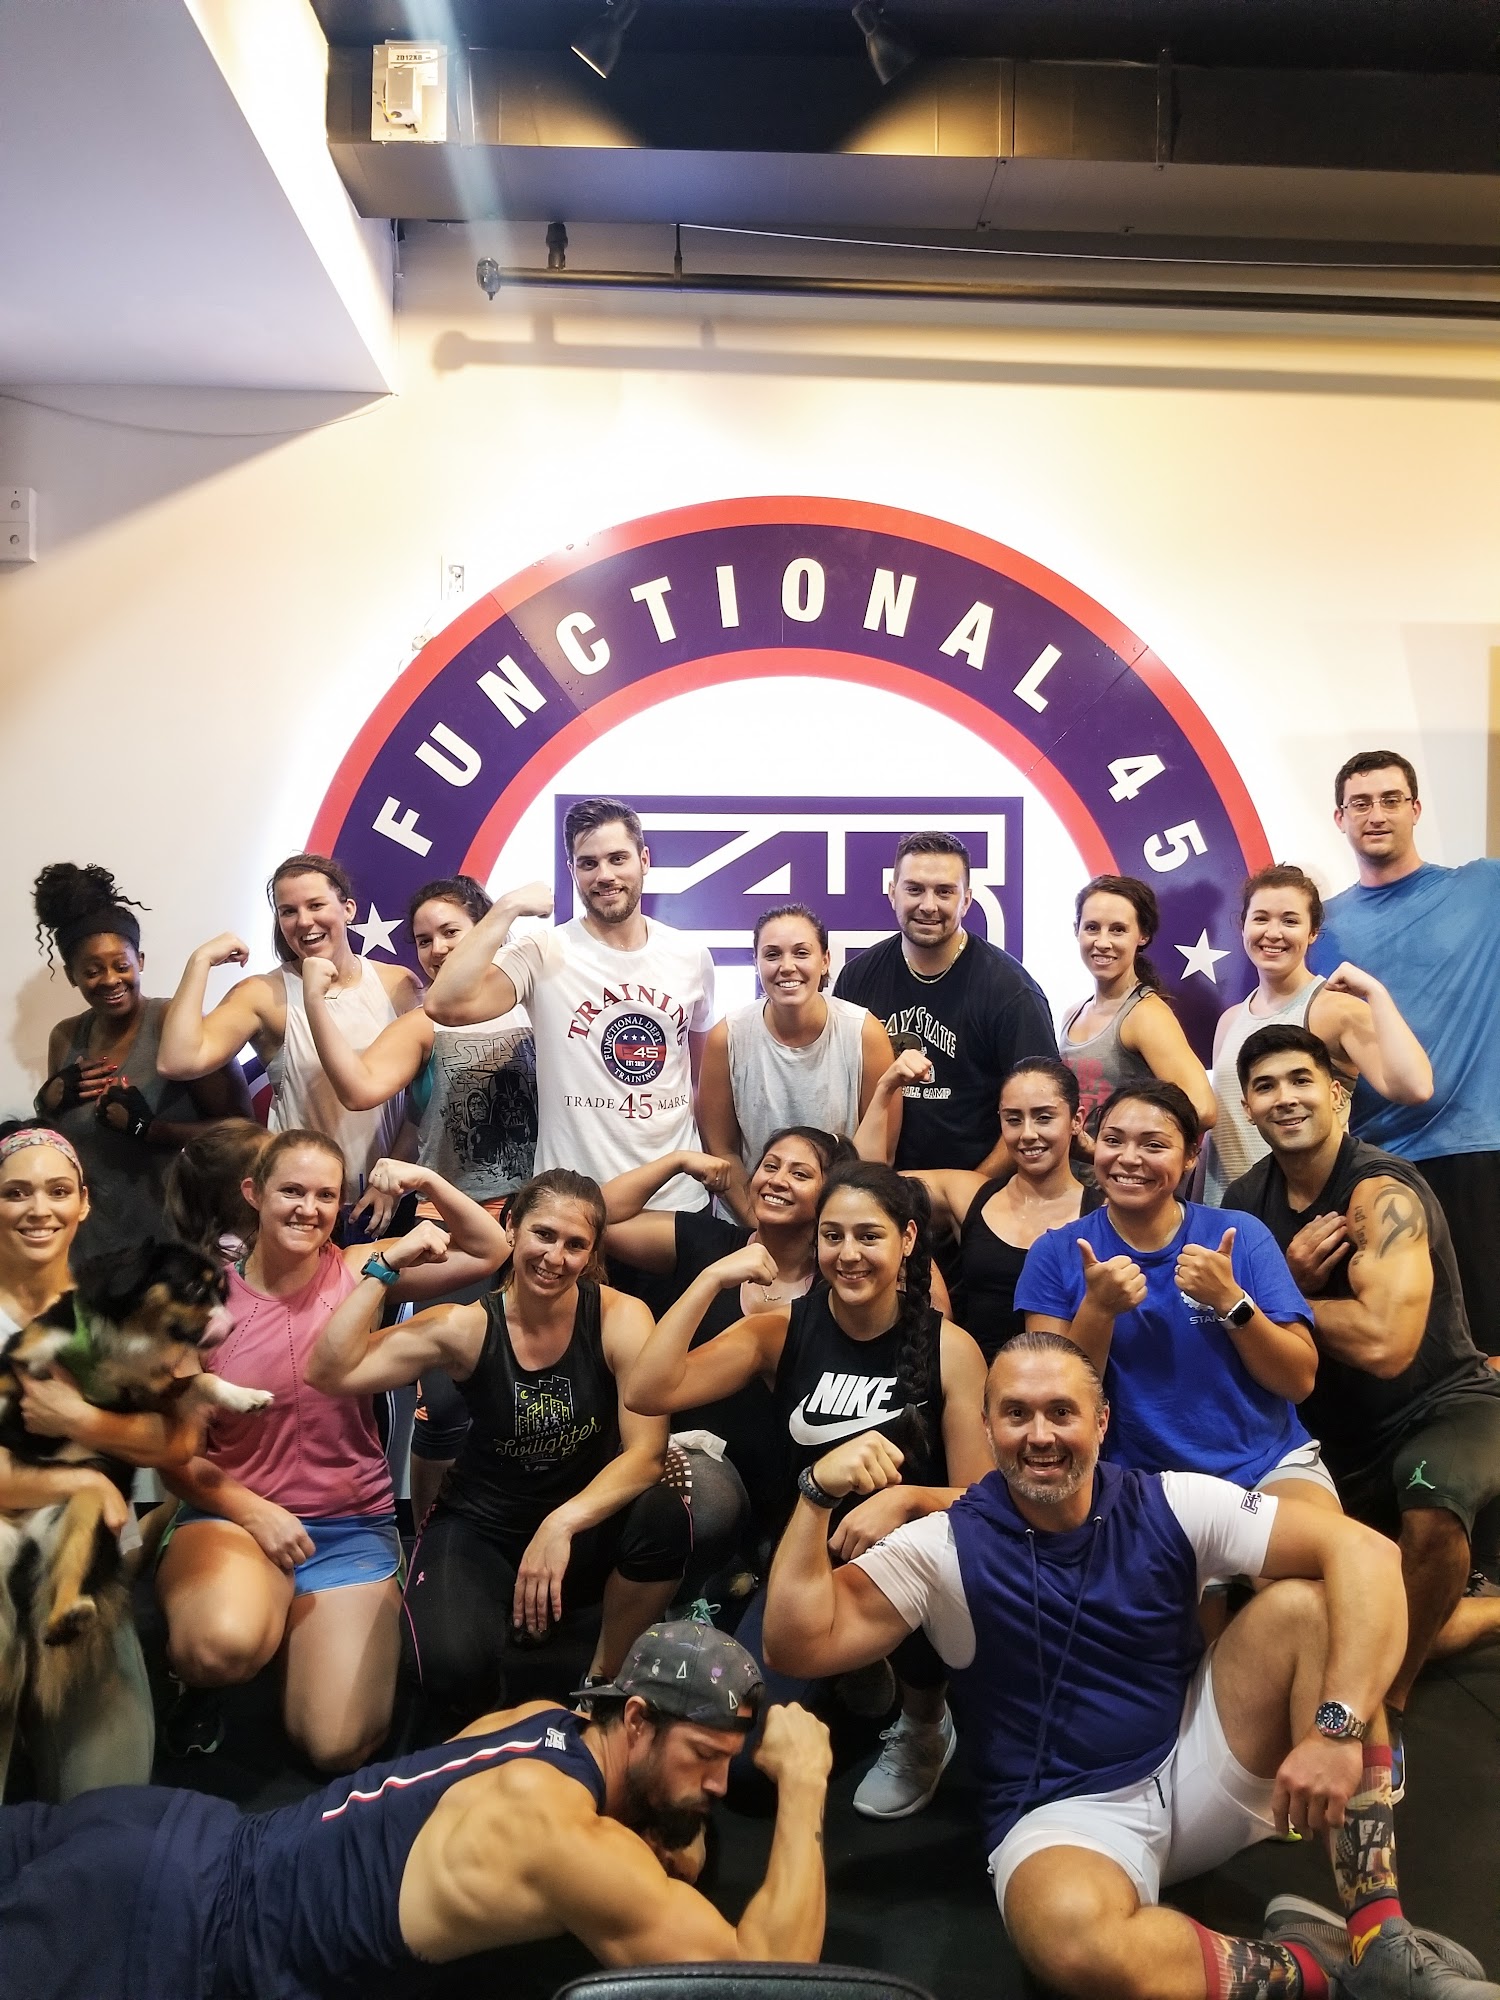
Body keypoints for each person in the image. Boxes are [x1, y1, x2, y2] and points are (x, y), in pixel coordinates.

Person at [761, 1333, 1499, 2000]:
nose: (1040, 1434)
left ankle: (1382, 1939)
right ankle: (1333, 1973)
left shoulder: (1170, 1500)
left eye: (1062, 1412)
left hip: (1198, 1758)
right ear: (987, 1428)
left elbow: (1364, 1552)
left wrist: (1337, 1727)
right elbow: (797, 1645)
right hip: (1066, 1816)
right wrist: (815, 1495)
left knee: (1311, 1609)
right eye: (1016, 1414)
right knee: (1069, 1942)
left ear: (1102, 1421)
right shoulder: (943, 1546)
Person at [0, 1620, 834, 2000]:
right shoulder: (563, 1841)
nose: (718, 1787)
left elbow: (663, 1843)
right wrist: (802, 1788)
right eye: (704, 1758)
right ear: (640, 1722)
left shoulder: (540, 1723)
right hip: (165, 1936)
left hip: (163, 1834)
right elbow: (767, 1980)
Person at [625, 1160, 991, 1820]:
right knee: (745, 1772)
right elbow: (648, 1391)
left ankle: (924, 1721)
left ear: (907, 1239)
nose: (848, 1254)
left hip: (913, 1569)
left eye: (869, 1236)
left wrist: (906, 1499)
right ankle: (857, 1666)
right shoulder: (780, 1329)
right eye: (832, 1235)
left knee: (926, 1555)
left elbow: (982, 1500)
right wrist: (710, 1278)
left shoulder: (951, 1348)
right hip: (808, 1564)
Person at [155, 1129, 508, 1771]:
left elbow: (490, 1248)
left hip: (349, 1525)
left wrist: (426, 1179)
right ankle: (207, 1675)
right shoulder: (199, 1302)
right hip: (238, 1518)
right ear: (253, 1193)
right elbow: (175, 1455)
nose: (308, 1209)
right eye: (291, 1191)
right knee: (220, 1647)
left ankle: (291, 1632)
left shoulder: (360, 1268)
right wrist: (255, 1512)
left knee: (337, 1746)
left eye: (325, 1196)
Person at [307, 1169, 695, 1726]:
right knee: (446, 1668)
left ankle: (603, 1682)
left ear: (592, 1253)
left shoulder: (621, 1316)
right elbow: (328, 1372)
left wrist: (560, 1524)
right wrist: (385, 1268)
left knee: (662, 1514)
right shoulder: (463, 1327)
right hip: (482, 1525)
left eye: (575, 1244)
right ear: (511, 1228)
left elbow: (645, 1454)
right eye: (543, 1234)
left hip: (578, 1528)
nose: (555, 1257)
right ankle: (493, 1713)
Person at [1225, 1024, 1500, 1765]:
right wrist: (1275, 1287)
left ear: (1338, 1093)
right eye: (1265, 1086)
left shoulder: (1382, 1191)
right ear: (1247, 1108)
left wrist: (1280, 1295)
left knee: (1432, 1507)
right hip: (1328, 1433)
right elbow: (1236, 1333)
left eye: (1301, 1080)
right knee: (1294, 1598)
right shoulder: (1246, 1202)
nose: (1285, 1098)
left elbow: (1385, 1343)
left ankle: (1388, 1704)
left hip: (1443, 1405)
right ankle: (1492, 1613)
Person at [0, 1123, 204, 1799]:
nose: (40, 1209)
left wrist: (80, 1420)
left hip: (89, 1571)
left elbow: (179, 1442)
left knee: (110, 1801)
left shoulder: (123, 1297)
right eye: (16, 1193)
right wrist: (82, 1479)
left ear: (83, 1202)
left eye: (58, 1191)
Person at [1014, 1082, 1335, 1507]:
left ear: (1190, 1155)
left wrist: (1231, 1302)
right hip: (1133, 1484)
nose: (1129, 1158)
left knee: (1320, 1546)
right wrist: (1098, 1310)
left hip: (1266, 1467)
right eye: (1113, 1140)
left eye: (1154, 1145)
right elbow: (1051, 1405)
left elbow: (1298, 1382)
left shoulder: (1241, 1234)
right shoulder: (1055, 1252)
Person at [426, 798, 715, 1209]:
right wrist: (507, 907)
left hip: (678, 1199)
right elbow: (444, 1004)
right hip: (572, 1205)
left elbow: (700, 1077)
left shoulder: (690, 955)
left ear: (644, 860)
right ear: (572, 870)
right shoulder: (543, 950)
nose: (605, 875)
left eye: (618, 859)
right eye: (588, 863)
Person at [1313, 751, 1500, 1354]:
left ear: (1416, 809)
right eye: (1361, 803)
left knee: (1488, 1341)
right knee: (1402, 1351)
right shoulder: (1318, 927)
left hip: (1473, 1151)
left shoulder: (1484, 887)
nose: (1376, 815)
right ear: (1340, 818)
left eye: (1391, 800)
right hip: (1375, 1165)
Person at [603, 1129, 855, 1531]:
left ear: (831, 1196)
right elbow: (597, 1219)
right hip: (698, 1471)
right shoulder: (709, 1242)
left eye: (800, 1174)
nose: (777, 1180)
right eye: (770, 1166)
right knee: (700, 1505)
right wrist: (676, 1162)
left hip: (796, 1483)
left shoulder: (842, 1280)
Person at [158, 851, 423, 1195]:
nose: (304, 921)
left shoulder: (398, 984)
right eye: (288, 911)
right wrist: (200, 961)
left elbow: (421, 1100)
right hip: (297, 1199)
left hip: (386, 1197)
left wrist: (392, 1180)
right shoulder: (262, 994)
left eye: (316, 905)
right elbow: (176, 1061)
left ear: (348, 909)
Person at [30, 863, 251, 1260]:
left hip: (173, 1248)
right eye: (92, 971)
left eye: (121, 965)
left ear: (141, 961)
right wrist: (46, 1104)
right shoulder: (65, 1036)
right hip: (88, 1248)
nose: (110, 980)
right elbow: (60, 1142)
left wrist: (151, 1130)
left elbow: (243, 1132)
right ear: (71, 975)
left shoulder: (172, 1024)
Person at [302, 873, 538, 1213]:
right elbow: (359, 1092)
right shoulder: (422, 1024)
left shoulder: (535, 1005)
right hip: (451, 1218)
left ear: (487, 929)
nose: (437, 949)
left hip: (539, 1213)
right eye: (424, 941)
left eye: (450, 932)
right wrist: (314, 1001)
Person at [1202, 864, 1431, 1203]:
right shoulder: (1229, 1021)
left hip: (1307, 1210)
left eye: (1290, 921)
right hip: (1229, 1209)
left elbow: (1415, 1088)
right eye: (1261, 918)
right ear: (1243, 925)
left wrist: (1376, 994)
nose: (1273, 933)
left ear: (1312, 933)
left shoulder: (1335, 1009)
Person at [833, 831, 1056, 1173]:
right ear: (892, 893)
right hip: (878, 1189)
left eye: (944, 891)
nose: (928, 905)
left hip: (979, 1187)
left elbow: (1041, 1109)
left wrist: (972, 1192)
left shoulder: (1011, 991)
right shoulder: (857, 978)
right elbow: (840, 1096)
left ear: (966, 900)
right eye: (914, 889)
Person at [698, 904, 893, 1222]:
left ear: (825, 960)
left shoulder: (864, 1033)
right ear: (756, 962)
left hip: (835, 1227)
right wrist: (758, 1225)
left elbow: (879, 1158)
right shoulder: (728, 1036)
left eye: (801, 953)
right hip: (750, 1223)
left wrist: (830, 1228)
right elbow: (722, 1151)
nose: (787, 967)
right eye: (772, 955)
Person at [908, 1057, 1099, 1362]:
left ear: (1076, 1120)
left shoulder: (1102, 1212)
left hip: (1057, 1378)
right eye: (1013, 1119)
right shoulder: (972, 1194)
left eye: (1044, 1118)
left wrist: (1099, 1154)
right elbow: (872, 1188)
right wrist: (886, 1087)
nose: (1027, 1133)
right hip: (973, 1378)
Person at [1060, 875, 1216, 1144]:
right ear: (1077, 930)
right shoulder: (1072, 1014)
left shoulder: (1146, 1015)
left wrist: (1125, 1145)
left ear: (1142, 935)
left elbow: (1203, 1109)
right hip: (1073, 1172)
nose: (1103, 942)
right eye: (1092, 928)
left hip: (1122, 1172)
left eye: (1118, 930)